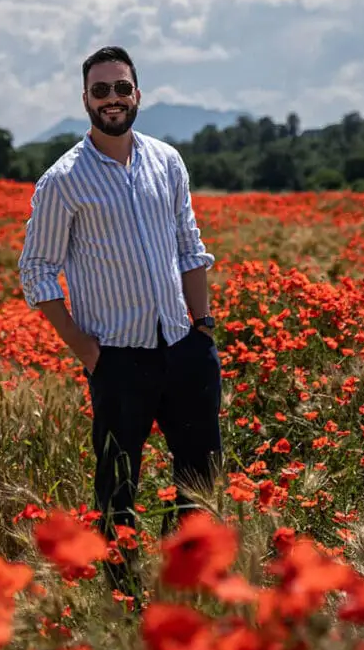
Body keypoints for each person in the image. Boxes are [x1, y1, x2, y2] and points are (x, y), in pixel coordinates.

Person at [18, 45, 223, 600]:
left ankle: (186, 586)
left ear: (138, 94)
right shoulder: (63, 180)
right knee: (118, 486)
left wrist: (203, 328)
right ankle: (122, 597)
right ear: (85, 99)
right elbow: (36, 269)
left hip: (183, 346)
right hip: (118, 359)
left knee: (200, 477)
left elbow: (189, 246)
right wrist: (88, 353)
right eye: (101, 90)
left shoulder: (166, 161)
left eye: (122, 88)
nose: (113, 99)